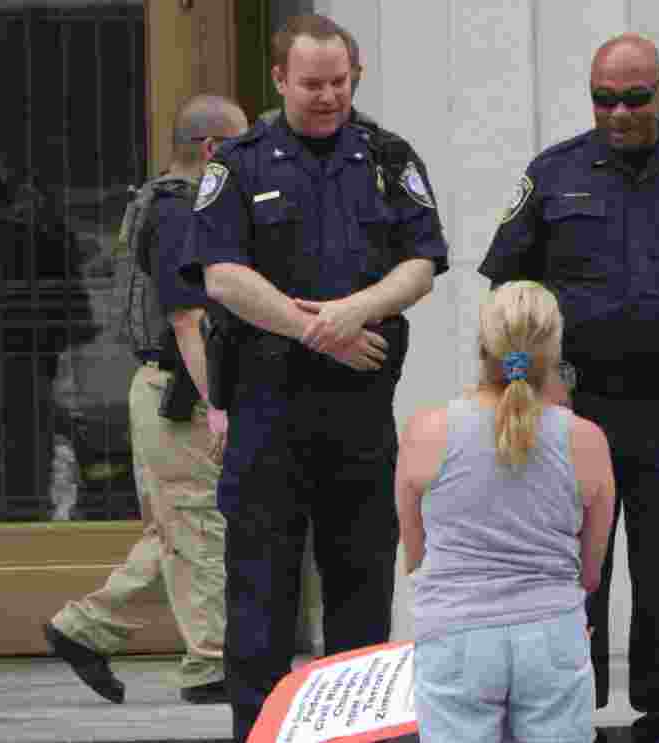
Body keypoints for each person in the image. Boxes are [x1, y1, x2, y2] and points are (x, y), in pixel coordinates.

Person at [478, 33, 659, 743]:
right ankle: (564, 712)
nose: (618, 112)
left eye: (634, 98)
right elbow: (507, 289)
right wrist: (526, 385)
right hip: (574, 410)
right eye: (603, 98)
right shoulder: (553, 175)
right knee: (570, 569)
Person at [179, 14, 449, 742]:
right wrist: (314, 330)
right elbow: (222, 275)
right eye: (312, 84)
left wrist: (353, 311)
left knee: (361, 594)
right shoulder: (237, 164)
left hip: (360, 415)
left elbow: (421, 263)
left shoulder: (389, 157)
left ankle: (356, 734)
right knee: (259, 597)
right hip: (268, 412)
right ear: (278, 80)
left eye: (340, 82)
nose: (328, 97)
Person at [44, 94, 249, 705]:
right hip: (180, 392)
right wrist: (218, 406)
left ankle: (82, 629)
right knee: (199, 524)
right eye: (239, 147)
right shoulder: (184, 211)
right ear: (213, 149)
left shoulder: (157, 201)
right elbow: (187, 320)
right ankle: (209, 666)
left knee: (176, 528)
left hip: (165, 388)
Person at [398, 280, 615, 743]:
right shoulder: (587, 440)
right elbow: (591, 572)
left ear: (482, 345)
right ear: (554, 351)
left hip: (456, 634)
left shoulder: (426, 431)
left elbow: (415, 557)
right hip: (552, 632)